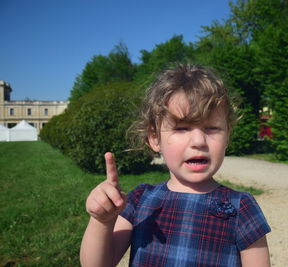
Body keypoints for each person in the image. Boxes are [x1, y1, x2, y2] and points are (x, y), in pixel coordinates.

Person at [80, 64, 271, 267]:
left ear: (227, 137)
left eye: (212, 128)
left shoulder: (241, 207)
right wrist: (102, 221)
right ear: (154, 139)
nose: (198, 141)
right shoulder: (140, 200)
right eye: (181, 128)